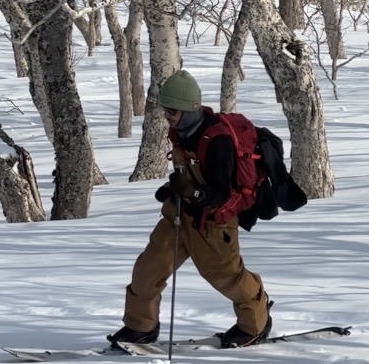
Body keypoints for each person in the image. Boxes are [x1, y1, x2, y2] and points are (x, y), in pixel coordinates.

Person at [107, 70, 272, 349]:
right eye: (164, 109)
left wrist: (192, 191)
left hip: (214, 224)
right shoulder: (182, 131)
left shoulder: (218, 140)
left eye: (171, 111)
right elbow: (189, 174)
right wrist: (174, 189)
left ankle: (256, 322)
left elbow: (222, 194)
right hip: (179, 216)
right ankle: (140, 327)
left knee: (227, 278)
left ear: (188, 110)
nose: (166, 116)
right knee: (147, 270)